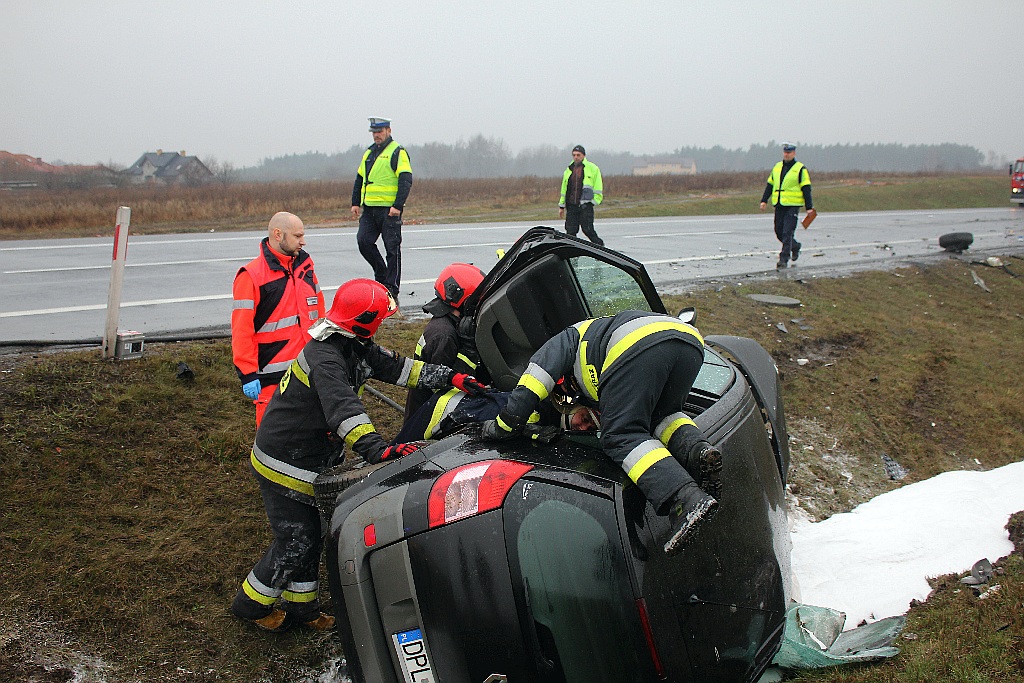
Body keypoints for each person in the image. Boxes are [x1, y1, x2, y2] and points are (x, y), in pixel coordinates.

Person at [230, 278, 487, 632]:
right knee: (297, 539)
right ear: (363, 320)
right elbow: (344, 410)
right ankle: (251, 604)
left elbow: (401, 368)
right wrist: (377, 448)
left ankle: (304, 610)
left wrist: (450, 378)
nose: (381, 324)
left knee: (313, 532)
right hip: (284, 461)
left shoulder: (352, 344)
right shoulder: (326, 359)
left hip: (306, 457)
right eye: (379, 318)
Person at [481, 311, 723, 556]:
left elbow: (531, 385)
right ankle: (699, 455)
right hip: (689, 342)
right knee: (661, 418)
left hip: (638, 342)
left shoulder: (564, 341)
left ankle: (684, 500)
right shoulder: (594, 354)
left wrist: (503, 427)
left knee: (620, 435)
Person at [231, 211, 325, 427]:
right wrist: (247, 373)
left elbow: (319, 315)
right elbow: (241, 329)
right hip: (272, 377)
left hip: (309, 369)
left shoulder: (306, 268)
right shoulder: (251, 276)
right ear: (277, 234)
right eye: (297, 236)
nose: (303, 241)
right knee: (273, 441)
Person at [403, 262, 489, 420]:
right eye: (475, 301)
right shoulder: (444, 335)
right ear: (461, 299)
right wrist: (469, 350)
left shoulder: (445, 324)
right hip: (429, 417)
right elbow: (443, 386)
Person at [350, 117, 413, 300]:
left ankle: (392, 287)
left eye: (379, 132)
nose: (376, 135)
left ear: (388, 131)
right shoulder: (369, 153)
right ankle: (382, 275)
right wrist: (355, 202)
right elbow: (360, 179)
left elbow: (405, 180)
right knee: (364, 242)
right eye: (374, 132)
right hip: (369, 209)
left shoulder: (397, 152)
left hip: (389, 210)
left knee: (392, 249)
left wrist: (397, 206)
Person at [760, 142, 815, 269]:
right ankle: (795, 246)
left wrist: (809, 207)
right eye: (785, 152)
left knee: (787, 232)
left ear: (794, 153)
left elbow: (806, 188)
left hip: (793, 205)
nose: (786, 154)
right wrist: (764, 200)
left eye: (789, 152)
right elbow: (770, 185)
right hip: (779, 204)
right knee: (779, 231)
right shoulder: (777, 167)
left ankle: (783, 259)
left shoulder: (800, 169)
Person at [558, 145, 605, 246]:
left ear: (583, 155)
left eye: (578, 155)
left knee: (588, 230)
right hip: (571, 205)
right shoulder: (569, 170)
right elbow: (564, 189)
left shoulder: (593, 168)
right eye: (574, 155)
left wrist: (594, 201)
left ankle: (602, 249)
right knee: (570, 232)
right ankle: (572, 255)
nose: (576, 157)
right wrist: (561, 205)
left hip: (585, 205)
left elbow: (598, 186)